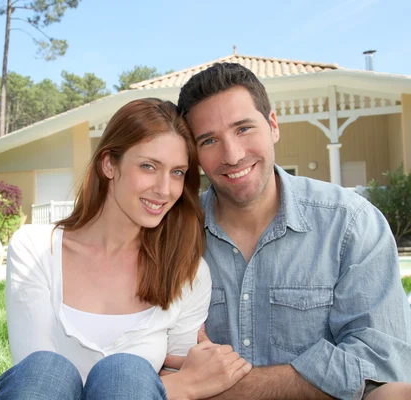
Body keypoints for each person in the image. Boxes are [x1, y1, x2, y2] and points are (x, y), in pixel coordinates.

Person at [164, 62, 411, 399]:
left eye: (244, 129)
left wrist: (223, 387)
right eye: (209, 140)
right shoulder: (172, 235)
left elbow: (379, 361)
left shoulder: (350, 224)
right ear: (194, 154)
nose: (233, 155)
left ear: (273, 125)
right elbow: (147, 355)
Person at [0, 98, 252, 400]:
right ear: (109, 165)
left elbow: (181, 367)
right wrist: (183, 387)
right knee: (46, 369)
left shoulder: (186, 271)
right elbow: (35, 382)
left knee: (126, 375)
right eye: (148, 166)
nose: (164, 189)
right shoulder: (36, 248)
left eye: (177, 172)